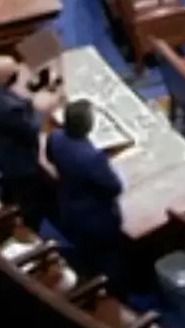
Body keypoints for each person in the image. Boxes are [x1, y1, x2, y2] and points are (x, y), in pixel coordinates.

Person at [48, 98, 127, 279]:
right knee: (106, 257)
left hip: (68, 204)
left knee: (82, 249)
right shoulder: (92, 158)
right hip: (95, 218)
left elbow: (51, 158)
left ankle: (82, 268)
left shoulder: (56, 137)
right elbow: (114, 187)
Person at [0, 56, 48, 226]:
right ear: (7, 79)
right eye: (14, 72)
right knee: (28, 197)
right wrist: (41, 108)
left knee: (10, 185)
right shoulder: (9, 108)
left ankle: (7, 197)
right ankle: (27, 226)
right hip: (17, 159)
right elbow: (31, 127)